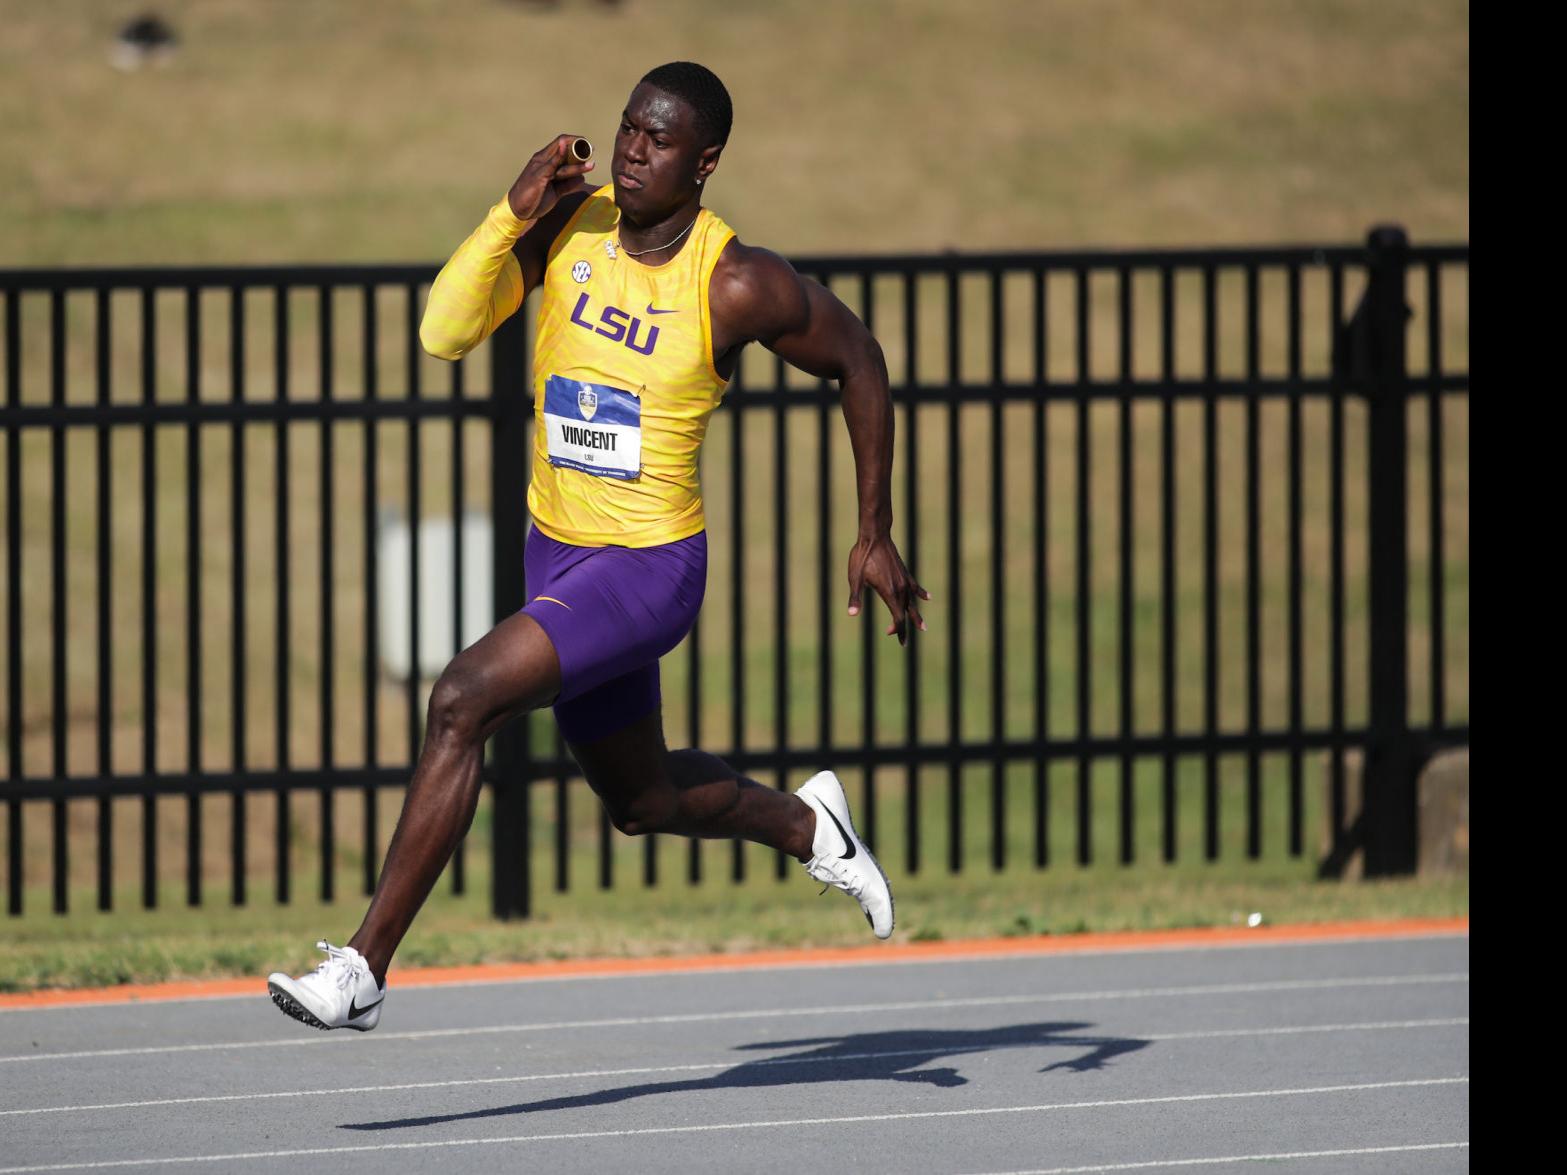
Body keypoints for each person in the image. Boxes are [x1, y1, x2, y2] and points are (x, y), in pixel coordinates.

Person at [267, 62, 926, 1032]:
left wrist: (874, 528)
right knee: (643, 797)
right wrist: (509, 211)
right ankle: (808, 822)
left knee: (461, 697)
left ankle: (363, 965)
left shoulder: (734, 280)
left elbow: (857, 356)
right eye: (626, 127)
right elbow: (443, 331)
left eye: (657, 140)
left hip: (648, 568)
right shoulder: (567, 229)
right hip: (557, 554)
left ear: (703, 163)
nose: (631, 148)